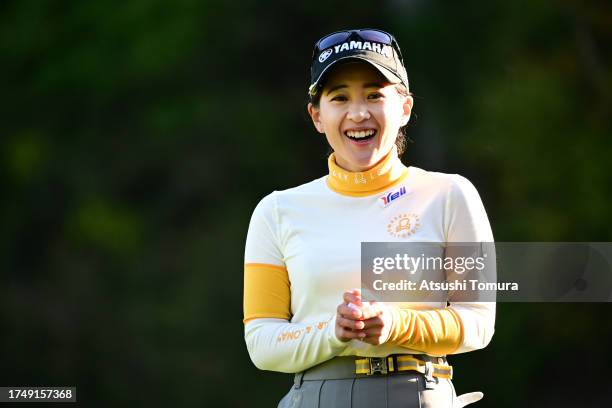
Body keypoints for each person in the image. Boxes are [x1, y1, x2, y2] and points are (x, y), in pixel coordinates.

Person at [243, 28, 495, 408]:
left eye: (375, 95)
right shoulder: (277, 211)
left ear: (405, 108)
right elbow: (262, 342)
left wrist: (395, 324)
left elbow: (477, 322)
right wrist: (333, 332)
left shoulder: (450, 195)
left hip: (421, 395)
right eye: (339, 97)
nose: (358, 113)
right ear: (316, 115)